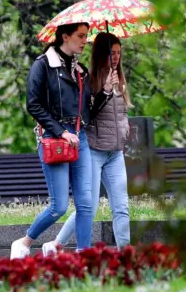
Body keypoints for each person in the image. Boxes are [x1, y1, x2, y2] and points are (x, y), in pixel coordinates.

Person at [11, 22, 113, 259]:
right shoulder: (43, 65)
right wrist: (60, 131)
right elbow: (33, 104)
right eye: (80, 36)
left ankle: (84, 254)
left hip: (80, 137)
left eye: (86, 36)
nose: (84, 41)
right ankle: (24, 243)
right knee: (59, 207)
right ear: (64, 37)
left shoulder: (82, 71)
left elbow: (88, 112)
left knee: (86, 203)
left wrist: (106, 92)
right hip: (55, 137)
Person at [42, 32, 132, 256]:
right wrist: (106, 91)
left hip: (115, 152)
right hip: (93, 150)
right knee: (88, 207)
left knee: (121, 207)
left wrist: (125, 127)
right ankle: (55, 244)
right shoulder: (88, 79)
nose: (116, 58)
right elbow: (88, 115)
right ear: (102, 54)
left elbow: (121, 113)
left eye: (119, 53)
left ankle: (126, 254)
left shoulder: (119, 79)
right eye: (112, 53)